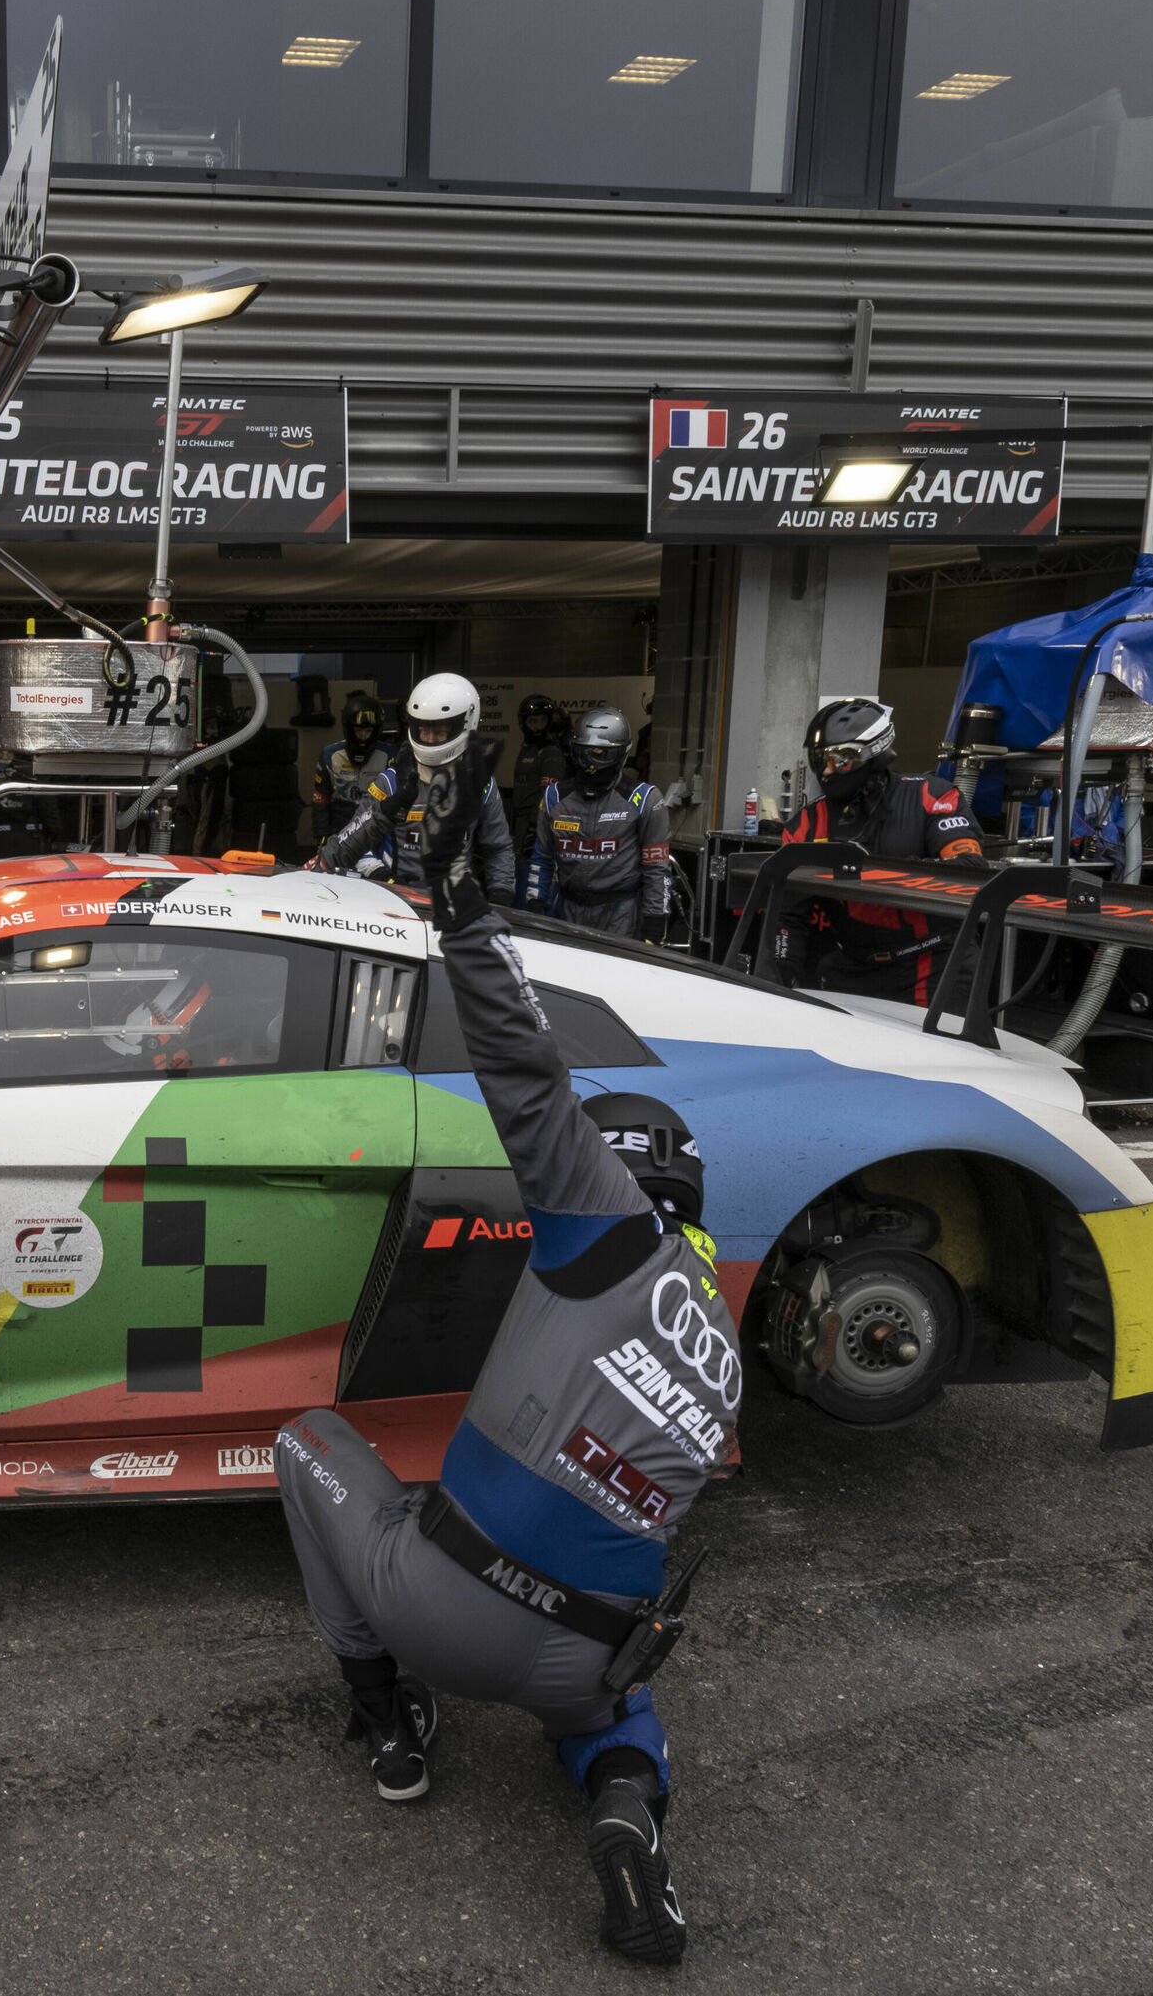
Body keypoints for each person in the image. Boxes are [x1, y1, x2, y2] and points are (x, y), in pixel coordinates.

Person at [277, 771, 733, 1966]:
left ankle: (390, 1725)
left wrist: (466, 914)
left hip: (440, 1608)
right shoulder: (725, 1344)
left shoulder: (603, 1219)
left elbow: (526, 1076)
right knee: (613, 1713)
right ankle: (630, 1832)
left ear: (623, 1175)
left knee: (306, 1441)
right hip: (584, 1647)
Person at [768, 698, 986, 1004]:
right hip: (852, 966)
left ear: (874, 752)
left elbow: (969, 869)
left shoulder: (932, 796)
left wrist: (875, 871)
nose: (827, 771)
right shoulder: (806, 824)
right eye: (820, 759)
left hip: (932, 965)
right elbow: (788, 916)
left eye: (839, 760)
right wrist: (779, 977)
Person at [312, 673, 515, 902]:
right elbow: (354, 840)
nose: (429, 739)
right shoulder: (390, 781)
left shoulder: (483, 784)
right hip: (396, 900)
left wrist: (501, 893)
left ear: (466, 724)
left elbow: (498, 847)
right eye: (423, 730)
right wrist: (383, 876)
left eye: (439, 732)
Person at [524, 706, 674, 942]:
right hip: (567, 912)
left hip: (621, 915)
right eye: (585, 754)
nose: (592, 764)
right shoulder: (554, 797)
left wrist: (655, 924)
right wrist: (535, 904)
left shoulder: (644, 799)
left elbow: (656, 867)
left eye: (602, 754)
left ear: (622, 754)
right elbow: (542, 858)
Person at [508, 693, 570, 901]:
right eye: (533, 721)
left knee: (529, 888)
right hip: (520, 826)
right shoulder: (527, 748)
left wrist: (534, 833)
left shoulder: (550, 753)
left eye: (543, 721)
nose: (538, 726)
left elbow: (548, 799)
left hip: (534, 832)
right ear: (523, 722)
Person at [310, 695, 390, 844]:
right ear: (349, 729)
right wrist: (321, 837)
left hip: (375, 828)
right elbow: (321, 798)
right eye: (358, 730)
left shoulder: (390, 755)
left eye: (368, 731)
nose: (363, 737)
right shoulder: (330, 755)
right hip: (339, 827)